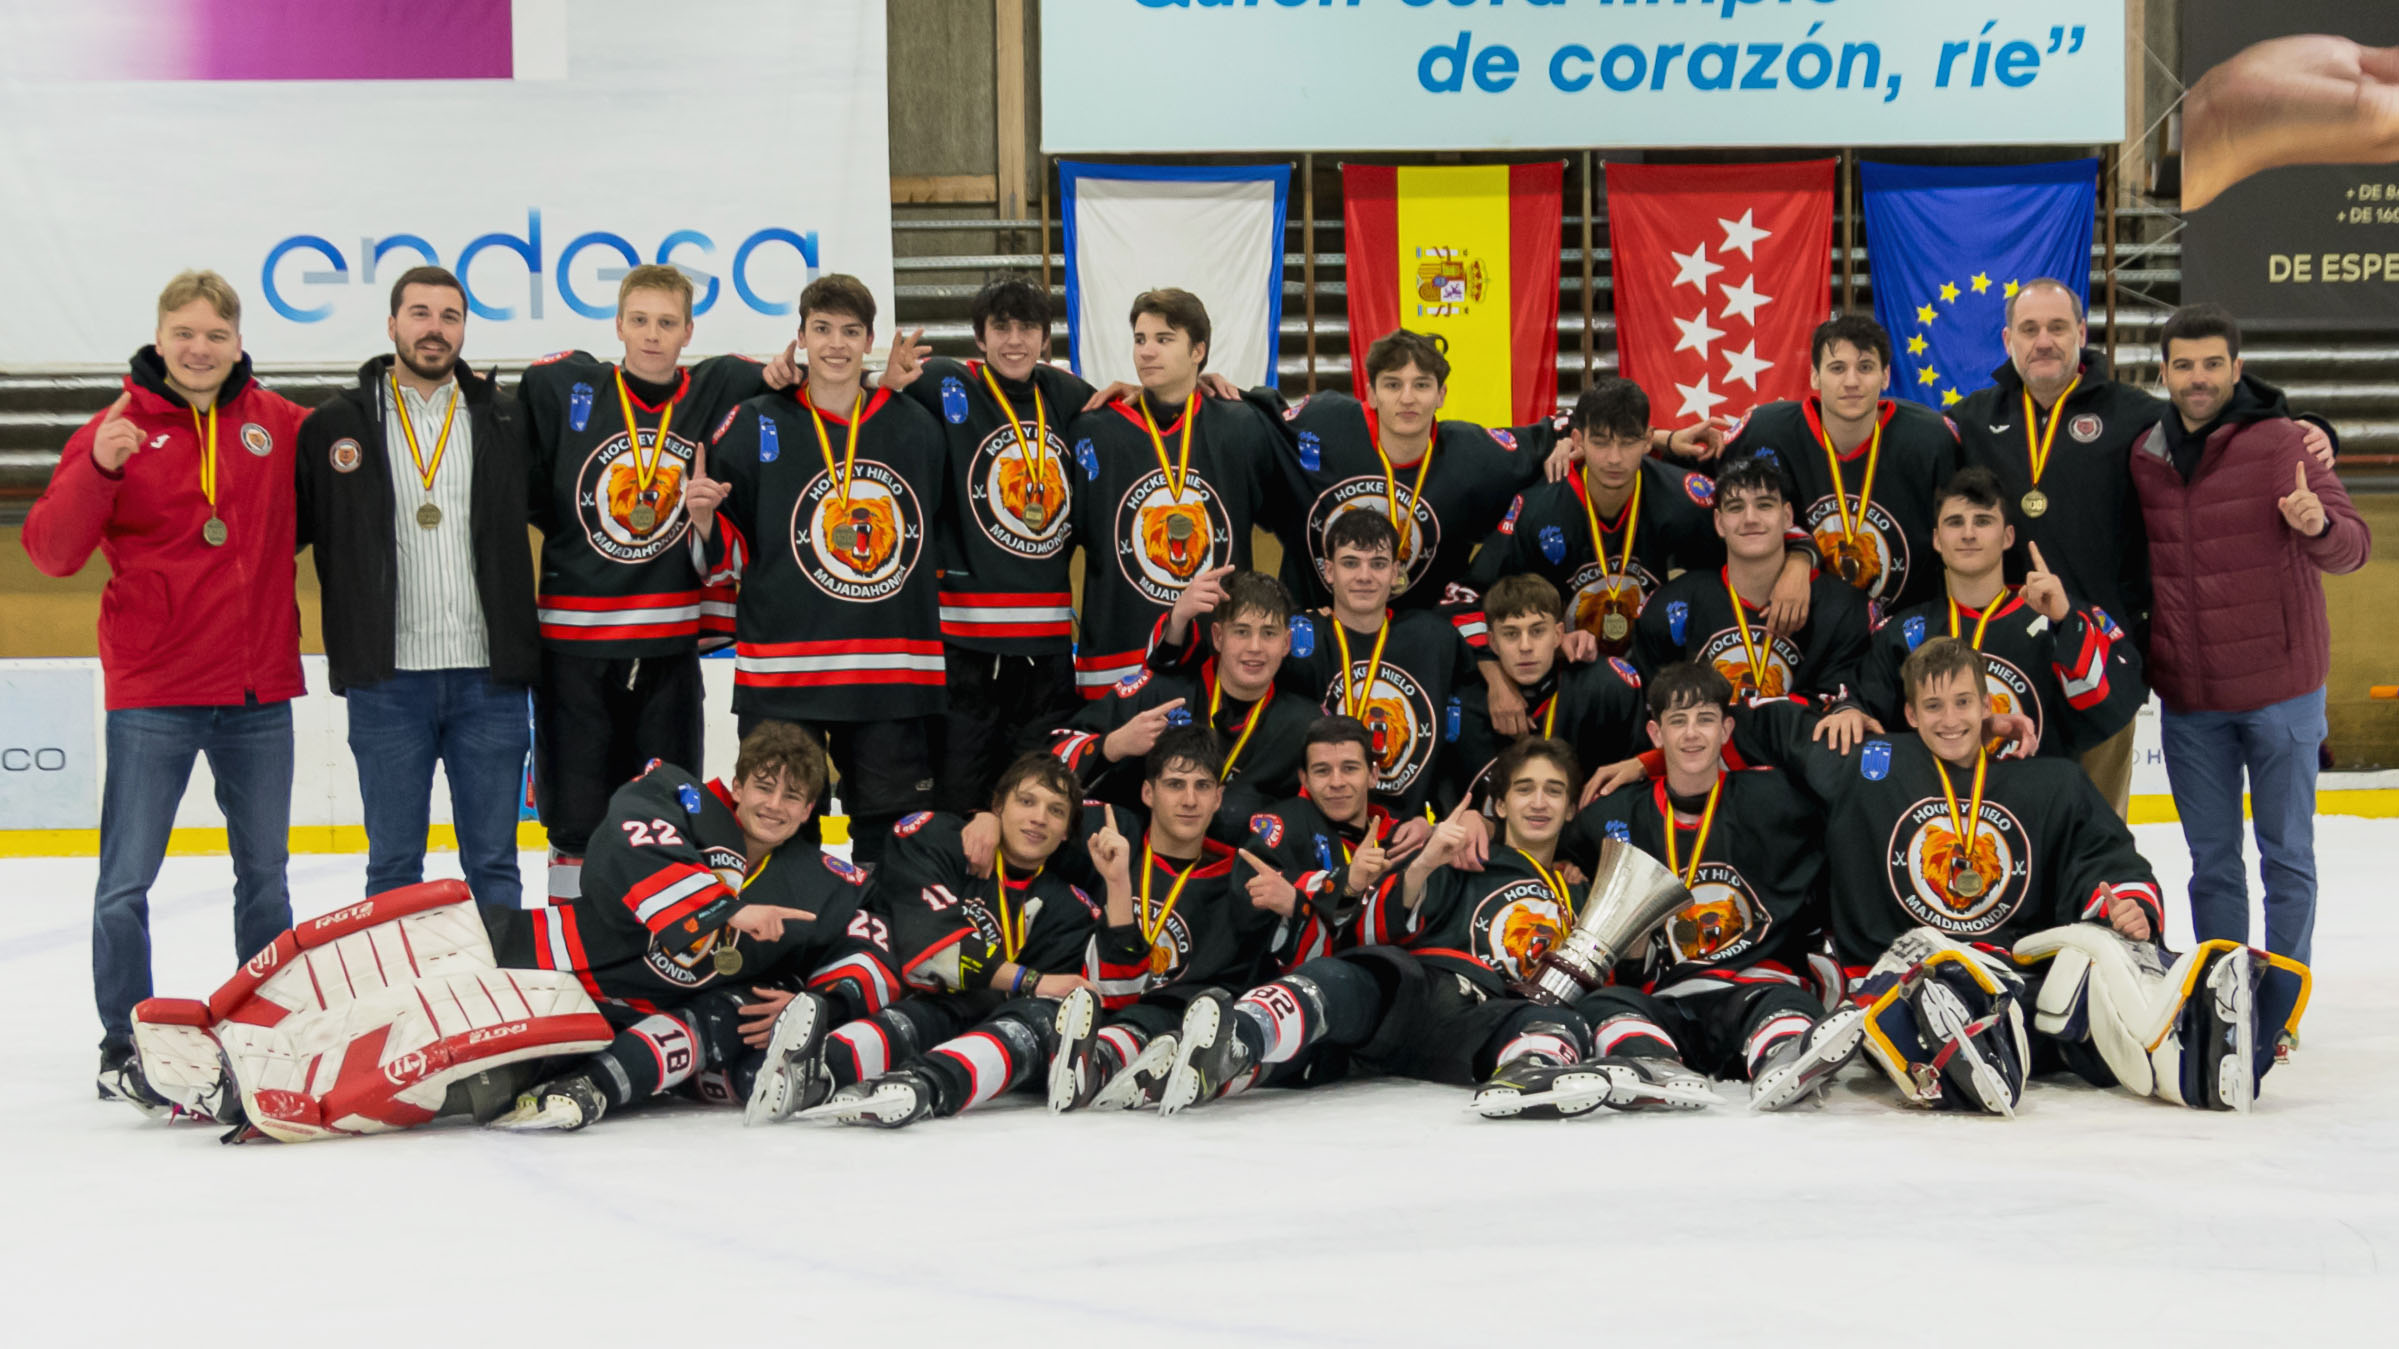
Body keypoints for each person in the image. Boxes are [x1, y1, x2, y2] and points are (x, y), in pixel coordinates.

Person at [1598, 639, 2292, 1116]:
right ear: (1907, 713)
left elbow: (2102, 854)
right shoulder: (1864, 763)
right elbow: (1733, 724)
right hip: (1905, 963)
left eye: (1963, 703)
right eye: (1932, 707)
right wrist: (1644, 762)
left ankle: (2202, 1042)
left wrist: (2126, 903)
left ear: (1987, 704)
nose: (1950, 719)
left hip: (2014, 968)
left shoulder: (2042, 778)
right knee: (1939, 982)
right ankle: (1961, 1038)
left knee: (2098, 963)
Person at [23, 269, 311, 1103]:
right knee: (126, 880)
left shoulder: (276, 424)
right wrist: (97, 473)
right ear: (159, 338)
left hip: (257, 692)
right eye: (184, 333)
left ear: (237, 343)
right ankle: (123, 1040)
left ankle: (267, 1025)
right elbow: (50, 552)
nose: (199, 348)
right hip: (154, 689)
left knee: (266, 875)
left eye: (216, 336)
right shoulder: (113, 429)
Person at [1948, 278, 2334, 815]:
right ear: (2008, 339)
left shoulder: (2136, 415)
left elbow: (2221, 420)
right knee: (2009, 823)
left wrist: (2306, 427)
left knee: (2100, 828)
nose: (2044, 341)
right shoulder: (1973, 419)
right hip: (2007, 656)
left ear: (2082, 334)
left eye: (2058, 327)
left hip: (2104, 656)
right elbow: (1907, 450)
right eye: (2029, 329)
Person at [1162, 738, 1702, 1121]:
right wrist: (1422, 864)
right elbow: (1371, 929)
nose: (1539, 802)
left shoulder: (1583, 893)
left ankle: (1531, 1070)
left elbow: (1624, 980)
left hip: (1482, 1024)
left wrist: (1633, 929)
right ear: (1502, 803)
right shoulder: (1465, 857)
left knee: (1544, 1015)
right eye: (1525, 789)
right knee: (1364, 971)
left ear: (1568, 810)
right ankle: (1239, 1038)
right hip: (1416, 997)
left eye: (1554, 792)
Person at [485, 721, 904, 1130]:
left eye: (792, 796)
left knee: (491, 1082)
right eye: (763, 787)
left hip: (650, 1024)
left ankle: (589, 1082)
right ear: (737, 787)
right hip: (555, 965)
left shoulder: (822, 883)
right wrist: (724, 910)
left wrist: (818, 1003)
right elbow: (625, 841)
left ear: (808, 810)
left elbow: (873, 940)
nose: (775, 805)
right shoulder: (678, 796)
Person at [519, 263, 784, 900]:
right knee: (576, 815)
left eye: (667, 323)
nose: (652, 335)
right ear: (618, 323)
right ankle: (570, 934)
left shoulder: (716, 386)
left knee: (667, 805)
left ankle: (652, 933)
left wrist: (784, 373)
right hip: (574, 651)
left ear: (689, 330)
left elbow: (784, 379)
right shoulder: (565, 387)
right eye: (639, 320)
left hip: (667, 648)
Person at [2135, 303, 2369, 978]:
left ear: (2236, 369)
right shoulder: (2145, 453)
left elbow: (2353, 549)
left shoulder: (2280, 443)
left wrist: (2318, 522)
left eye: (2212, 364)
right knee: (2211, 862)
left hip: (2280, 695)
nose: (2198, 378)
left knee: (2286, 855)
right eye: (2184, 365)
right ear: (2165, 371)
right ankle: (2224, 992)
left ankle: (2283, 1001)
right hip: (2190, 700)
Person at [295, 265, 538, 911]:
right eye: (421, 313)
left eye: (450, 316)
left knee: (493, 861)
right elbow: (283, 536)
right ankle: (398, 1005)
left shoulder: (506, 420)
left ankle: (502, 996)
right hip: (386, 681)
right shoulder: (332, 427)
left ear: (463, 329)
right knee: (393, 866)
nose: (435, 329)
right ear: (392, 324)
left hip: (489, 678)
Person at [686, 273, 948, 868]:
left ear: (871, 340)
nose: (836, 344)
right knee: (775, 830)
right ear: (800, 339)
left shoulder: (914, 425)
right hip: (786, 670)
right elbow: (732, 548)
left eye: (850, 331)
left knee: (890, 838)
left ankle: (879, 953)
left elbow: (930, 527)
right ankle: (782, 954)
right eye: (822, 330)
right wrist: (703, 521)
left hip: (890, 670)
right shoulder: (755, 421)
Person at [1552, 663, 1839, 1110]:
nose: (1691, 734)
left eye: (1705, 719)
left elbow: (1849, 816)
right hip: (1670, 1003)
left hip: (1753, 990)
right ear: (1654, 732)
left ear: (1727, 729)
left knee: (1787, 1000)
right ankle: (1654, 1062)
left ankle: (1781, 1056)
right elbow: (1544, 846)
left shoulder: (1778, 797)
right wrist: (1566, 864)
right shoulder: (1618, 815)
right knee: (1602, 1004)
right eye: (1677, 721)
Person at [784, 755, 1103, 1126]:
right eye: (1027, 801)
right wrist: (1031, 980)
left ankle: (921, 1085)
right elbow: (934, 960)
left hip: (987, 1028)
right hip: (911, 998)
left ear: (1066, 831)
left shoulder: (1071, 906)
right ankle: (815, 1068)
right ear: (997, 806)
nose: (1039, 818)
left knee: (1038, 1017)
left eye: (1056, 811)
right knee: (908, 993)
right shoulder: (936, 838)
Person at [879, 278, 1099, 813]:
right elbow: (860, 397)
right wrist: (881, 383)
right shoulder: (945, 382)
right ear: (979, 337)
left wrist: (1199, 381)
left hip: (1046, 656)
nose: (1015, 340)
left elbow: (1143, 409)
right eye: (1001, 327)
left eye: (1027, 327)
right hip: (964, 652)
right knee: (961, 805)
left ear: (1046, 338)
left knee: (1037, 804)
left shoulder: (1068, 395)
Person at [1046, 728, 1291, 1112]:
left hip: (1184, 1022)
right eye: (1175, 784)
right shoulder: (1110, 837)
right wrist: (988, 821)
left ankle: (1102, 1066)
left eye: (1202, 786)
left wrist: (1293, 904)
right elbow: (1032, 800)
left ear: (1218, 799)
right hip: (1101, 1003)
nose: (1189, 800)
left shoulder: (1242, 878)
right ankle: (1097, 1065)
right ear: (1148, 793)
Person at [1058, 288, 1287, 696]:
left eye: (1164, 340)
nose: (1147, 352)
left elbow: (1295, 512)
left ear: (1198, 351)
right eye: (1140, 339)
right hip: (1117, 660)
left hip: (1216, 662)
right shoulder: (1094, 431)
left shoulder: (1241, 427)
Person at [1251, 327, 1558, 613]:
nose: (1407, 398)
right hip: (1317, 633)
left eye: (1421, 385)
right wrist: (1210, 388)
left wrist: (1568, 441)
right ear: (1371, 394)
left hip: (1416, 642)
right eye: (1393, 384)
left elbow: (1555, 432)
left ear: (1441, 395)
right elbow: (1255, 419)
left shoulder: (1473, 453)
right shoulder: (1323, 424)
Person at [1859, 467, 2145, 762]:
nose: (1968, 534)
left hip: (2034, 801)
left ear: (2008, 536)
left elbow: (2111, 707)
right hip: (1937, 804)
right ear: (1936, 539)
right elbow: (1869, 724)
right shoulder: (1904, 633)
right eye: (1955, 522)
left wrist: (2066, 622)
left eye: (1983, 521)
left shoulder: (2053, 617)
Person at [1464, 377, 1729, 658]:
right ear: (1577, 440)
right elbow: (1470, 595)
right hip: (1566, 664)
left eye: (1628, 442)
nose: (1614, 458)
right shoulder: (1538, 509)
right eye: (1601, 443)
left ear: (1649, 440)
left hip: (1660, 664)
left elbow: (1740, 568)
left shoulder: (1686, 499)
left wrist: (1784, 569)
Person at [1727, 315, 1960, 619]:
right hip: (1803, 630)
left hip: (1906, 632)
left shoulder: (1931, 439)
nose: (1851, 381)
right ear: (1814, 376)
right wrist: (1667, 439)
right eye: (1837, 368)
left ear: (1886, 376)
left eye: (1865, 367)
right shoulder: (1765, 430)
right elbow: (1707, 492)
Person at [1050, 569, 1316, 834]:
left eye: (1269, 633)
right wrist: (1113, 745)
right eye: (1242, 632)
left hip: (1243, 869)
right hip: (1140, 865)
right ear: (1218, 636)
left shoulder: (1305, 724)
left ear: (1286, 642)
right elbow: (1050, 758)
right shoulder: (1158, 694)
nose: (1255, 647)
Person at [1631, 455, 1871, 710]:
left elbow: (1842, 708)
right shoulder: (1672, 608)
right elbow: (1656, 716)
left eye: (1765, 505)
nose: (1750, 519)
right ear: (1719, 523)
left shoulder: (1842, 608)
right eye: (1735, 508)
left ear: (1788, 516)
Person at [1440, 574, 1645, 815]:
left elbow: (1636, 786)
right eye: (1511, 634)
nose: (1525, 646)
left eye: (1537, 631)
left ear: (1559, 635)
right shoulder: (1462, 703)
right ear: (1492, 643)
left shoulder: (1607, 687)